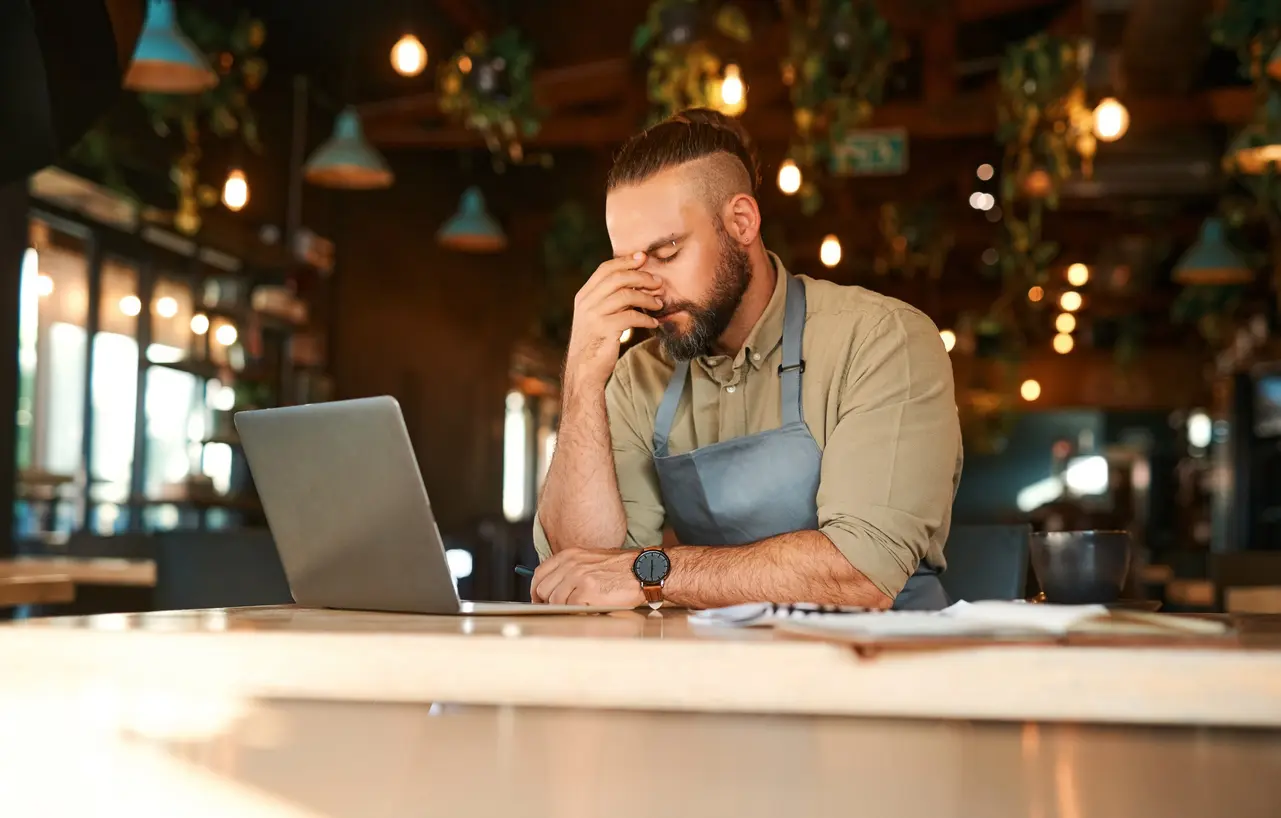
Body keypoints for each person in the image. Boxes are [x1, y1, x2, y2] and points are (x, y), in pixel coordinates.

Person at [530, 108, 962, 611]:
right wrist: (582, 375)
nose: (649, 289)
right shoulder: (637, 378)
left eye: (667, 252)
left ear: (741, 222)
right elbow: (584, 572)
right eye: (630, 265)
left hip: (879, 674)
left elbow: (860, 573)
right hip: (722, 675)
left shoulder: (881, 339)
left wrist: (655, 571)